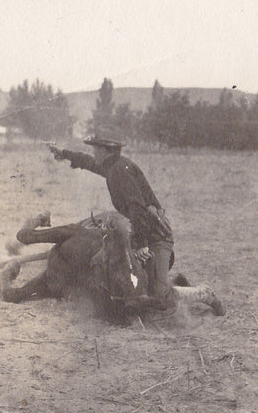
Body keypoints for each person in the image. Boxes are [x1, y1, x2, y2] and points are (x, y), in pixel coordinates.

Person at [49, 133, 178, 311]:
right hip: (141, 231)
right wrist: (64, 153)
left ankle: (203, 293)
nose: (93, 152)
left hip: (157, 237)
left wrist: (142, 245)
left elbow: (137, 208)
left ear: (106, 151)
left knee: (160, 294)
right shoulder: (114, 166)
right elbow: (88, 162)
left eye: (96, 148)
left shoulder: (119, 171)